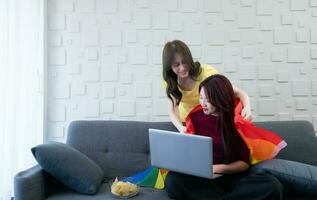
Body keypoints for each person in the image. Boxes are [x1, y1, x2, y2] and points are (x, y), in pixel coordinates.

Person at [164, 74, 283, 200]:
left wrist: (216, 168)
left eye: (207, 99)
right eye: (201, 98)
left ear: (219, 98)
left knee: (272, 185)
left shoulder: (236, 121)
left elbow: (244, 164)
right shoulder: (195, 118)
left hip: (233, 178)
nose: (202, 103)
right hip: (205, 179)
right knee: (173, 180)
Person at [162, 40, 252, 133]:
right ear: (170, 67)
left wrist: (247, 108)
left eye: (185, 62)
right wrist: (181, 128)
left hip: (211, 119)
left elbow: (238, 93)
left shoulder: (206, 72)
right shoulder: (170, 82)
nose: (182, 68)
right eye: (176, 65)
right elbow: (173, 111)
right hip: (189, 122)